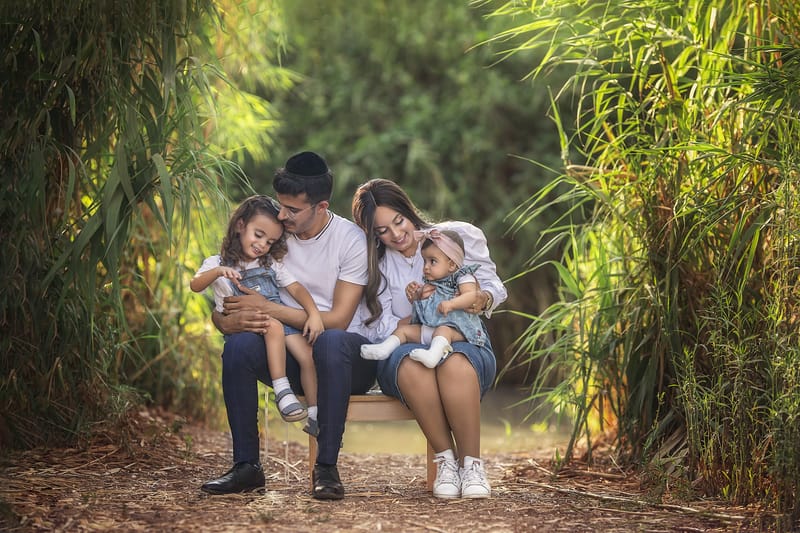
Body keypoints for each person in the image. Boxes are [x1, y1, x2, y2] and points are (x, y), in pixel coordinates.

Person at [201, 152, 377, 500]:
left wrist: (268, 309)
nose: (282, 215)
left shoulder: (350, 241)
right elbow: (225, 308)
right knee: (239, 346)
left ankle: (326, 468)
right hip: (287, 352)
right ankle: (246, 466)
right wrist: (226, 321)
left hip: (344, 360)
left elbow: (338, 320)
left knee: (330, 341)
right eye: (280, 205)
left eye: (292, 209)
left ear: (321, 207)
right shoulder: (273, 235)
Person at [351, 178, 507, 499]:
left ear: (408, 210)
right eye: (383, 231)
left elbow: (493, 285)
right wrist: (419, 316)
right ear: (373, 235)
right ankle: (446, 462)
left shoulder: (452, 238)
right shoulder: (375, 265)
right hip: (405, 350)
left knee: (454, 362)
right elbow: (375, 326)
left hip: (462, 341)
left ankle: (471, 465)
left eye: (399, 221)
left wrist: (482, 298)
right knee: (413, 363)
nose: (396, 234)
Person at [190, 195, 322, 435]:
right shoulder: (216, 262)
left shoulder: (269, 264)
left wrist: (313, 313)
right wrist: (218, 271)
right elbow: (195, 285)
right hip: (247, 328)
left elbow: (296, 289)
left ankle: (315, 416)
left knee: (308, 356)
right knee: (272, 326)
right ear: (240, 225)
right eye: (258, 235)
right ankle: (282, 391)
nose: (262, 245)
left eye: (270, 241)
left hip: (277, 320)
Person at [360, 229, 487, 369]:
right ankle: (384, 349)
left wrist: (452, 304)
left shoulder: (463, 277)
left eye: (432, 261)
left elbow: (471, 296)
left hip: (456, 330)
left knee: (443, 330)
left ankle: (433, 355)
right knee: (404, 330)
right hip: (429, 328)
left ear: (451, 264)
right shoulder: (432, 281)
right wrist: (416, 297)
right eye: (424, 261)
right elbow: (427, 305)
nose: (426, 267)